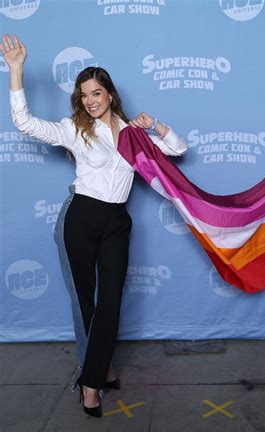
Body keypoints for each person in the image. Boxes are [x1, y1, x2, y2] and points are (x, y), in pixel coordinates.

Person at [0, 34, 187, 417]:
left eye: (96, 93)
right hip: (80, 217)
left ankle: (95, 370)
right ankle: (94, 378)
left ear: (110, 95)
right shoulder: (75, 128)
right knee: (85, 301)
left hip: (117, 219)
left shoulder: (134, 133)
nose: (90, 100)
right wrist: (16, 70)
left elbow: (178, 150)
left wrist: (157, 126)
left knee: (111, 301)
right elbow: (24, 123)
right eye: (84, 94)